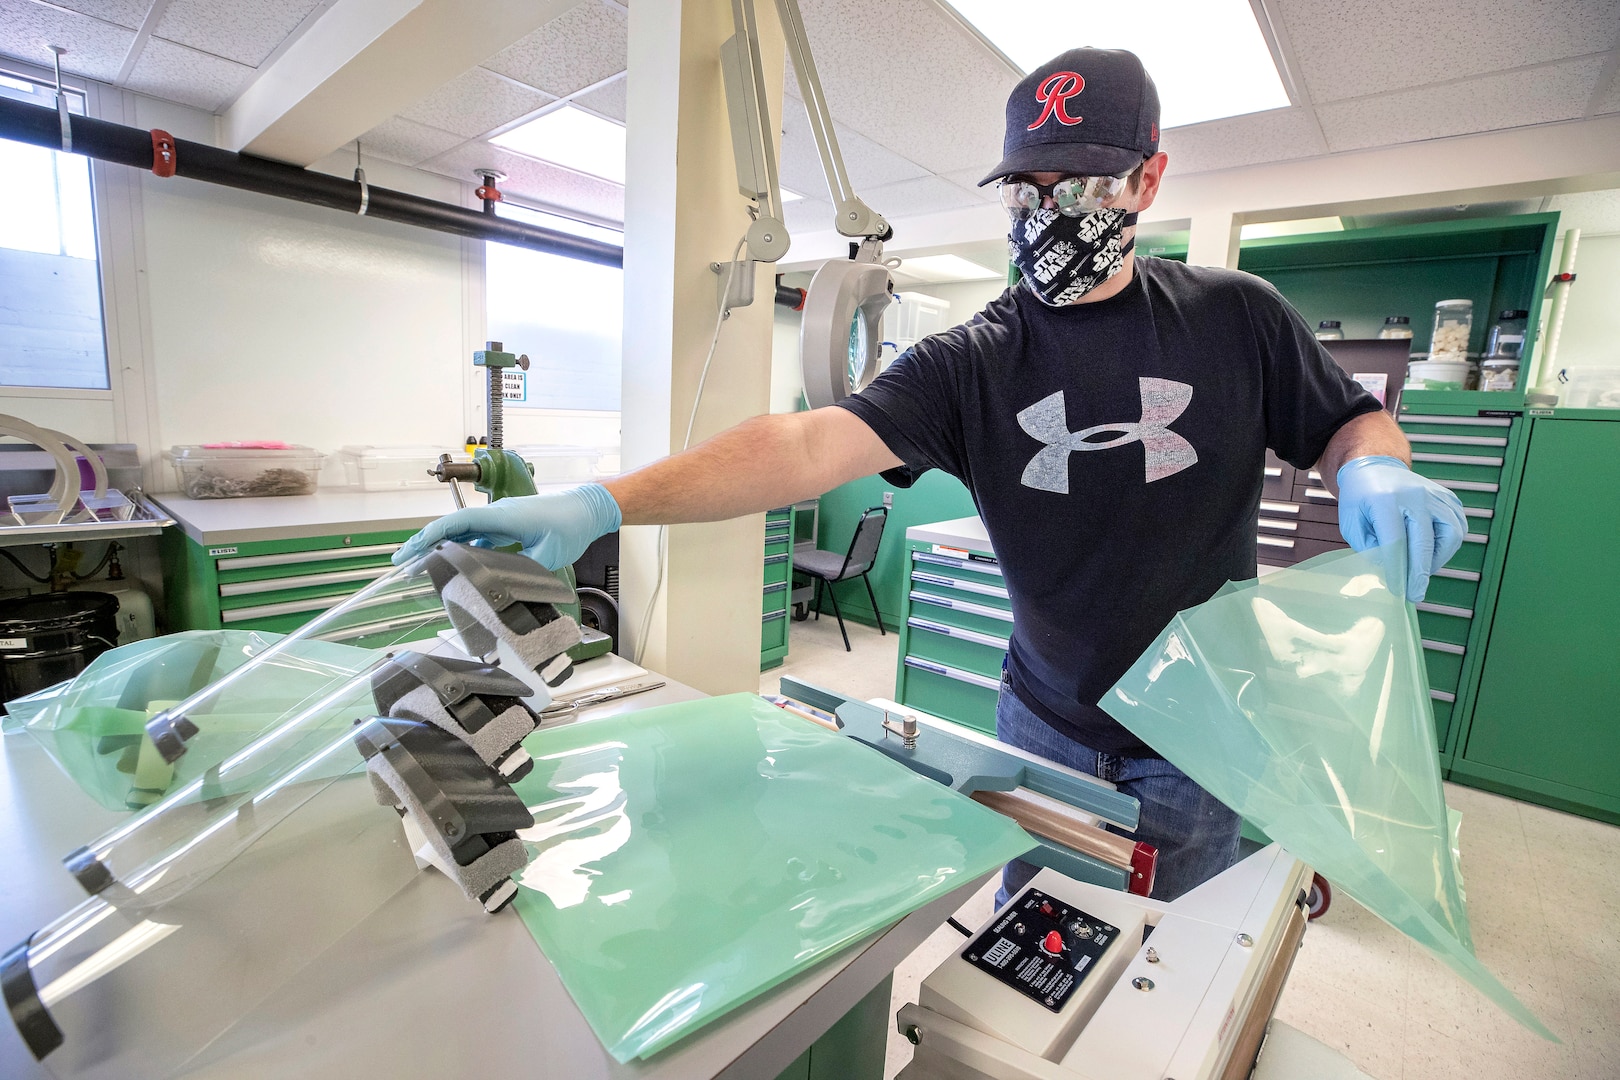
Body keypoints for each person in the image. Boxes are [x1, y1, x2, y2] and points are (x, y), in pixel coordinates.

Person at [394, 48, 1467, 902]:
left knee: (1162, 982)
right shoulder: (974, 360)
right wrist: (604, 503)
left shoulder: (1238, 319)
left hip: (1200, 738)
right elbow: (807, 445)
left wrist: (1375, 468)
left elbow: (1348, 425)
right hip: (1042, 720)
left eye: (1087, 181)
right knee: (1029, 956)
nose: (1055, 211)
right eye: (1030, 187)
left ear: (1148, 177)